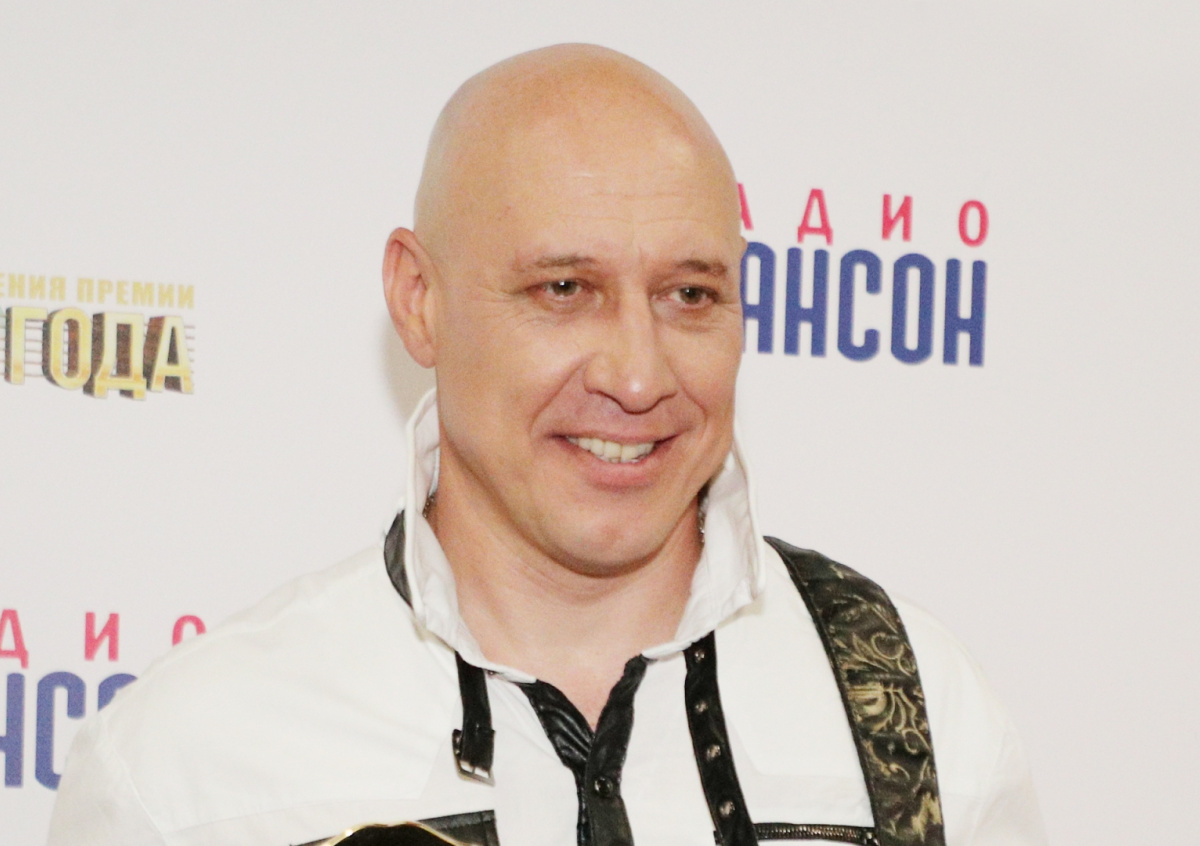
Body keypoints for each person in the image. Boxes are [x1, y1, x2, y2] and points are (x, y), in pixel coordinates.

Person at [48, 44, 1046, 846]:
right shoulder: (190, 775)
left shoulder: (917, 715)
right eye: (564, 290)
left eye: (689, 295)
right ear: (419, 299)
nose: (639, 376)